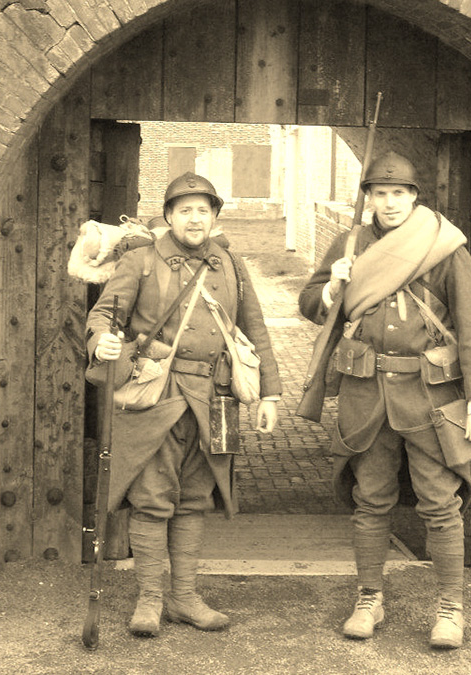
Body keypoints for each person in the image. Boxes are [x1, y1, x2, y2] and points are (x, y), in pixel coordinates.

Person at [298, 151, 471, 649]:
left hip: (429, 398)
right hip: (367, 395)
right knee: (371, 501)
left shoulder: (444, 245)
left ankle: (449, 608)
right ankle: (369, 598)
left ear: (414, 198)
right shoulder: (351, 242)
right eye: (379, 193)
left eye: (398, 194)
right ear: (368, 197)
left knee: (439, 504)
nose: (388, 203)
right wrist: (332, 289)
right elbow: (307, 301)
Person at [87, 172, 281, 637]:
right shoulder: (141, 261)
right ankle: (150, 600)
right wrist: (101, 343)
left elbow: (255, 328)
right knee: (152, 502)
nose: (194, 218)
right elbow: (103, 314)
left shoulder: (231, 264)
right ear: (169, 216)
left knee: (195, 501)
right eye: (185, 210)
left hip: (217, 400)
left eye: (203, 211)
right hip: (158, 397)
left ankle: (185, 598)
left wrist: (270, 393)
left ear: (214, 217)